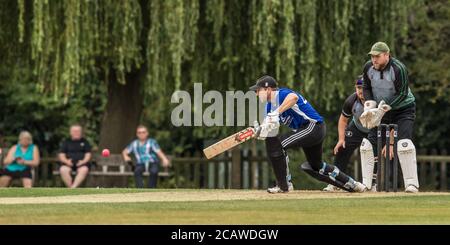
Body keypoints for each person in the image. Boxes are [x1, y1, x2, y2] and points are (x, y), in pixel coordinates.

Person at [249, 75, 366, 193]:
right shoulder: (268, 106)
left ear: (268, 89)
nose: (257, 94)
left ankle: (284, 185)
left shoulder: (281, 94)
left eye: (258, 90)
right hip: (308, 130)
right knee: (316, 165)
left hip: (313, 126)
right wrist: (261, 131)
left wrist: (276, 113)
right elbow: (269, 125)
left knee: (279, 145)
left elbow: (293, 98)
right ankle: (353, 184)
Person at [359, 41, 419, 193]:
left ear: (387, 55)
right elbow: (366, 87)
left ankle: (412, 184)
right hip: (380, 109)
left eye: (377, 56)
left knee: (404, 144)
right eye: (372, 56)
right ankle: (367, 184)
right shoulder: (368, 67)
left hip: (403, 109)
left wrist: (383, 108)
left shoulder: (398, 68)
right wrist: (370, 106)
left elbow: (402, 94)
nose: (374, 60)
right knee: (367, 144)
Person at [323, 75, 375, 192]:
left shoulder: (376, 98)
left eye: (364, 88)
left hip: (374, 129)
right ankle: (335, 182)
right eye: (358, 87)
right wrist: (341, 139)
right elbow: (343, 120)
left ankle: (373, 184)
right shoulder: (351, 101)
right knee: (342, 149)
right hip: (357, 128)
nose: (361, 91)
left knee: (374, 154)